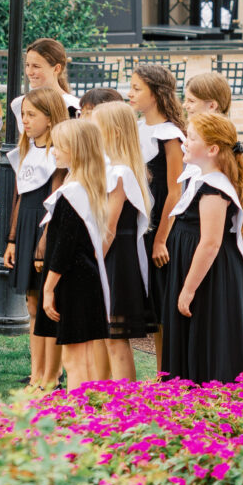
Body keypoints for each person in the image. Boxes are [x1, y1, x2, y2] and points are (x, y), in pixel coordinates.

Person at [161, 113, 243, 384]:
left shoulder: (215, 189)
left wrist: (188, 289)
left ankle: (215, 408)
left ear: (212, 150)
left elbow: (211, 242)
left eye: (191, 138)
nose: (184, 143)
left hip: (210, 277)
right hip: (195, 270)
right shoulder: (201, 179)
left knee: (209, 341)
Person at [34, 120, 111, 391]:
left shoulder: (72, 193)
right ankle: (89, 412)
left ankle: (77, 415)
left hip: (71, 281)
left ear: (76, 150)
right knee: (86, 355)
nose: (53, 150)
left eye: (59, 145)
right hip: (87, 279)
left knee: (74, 358)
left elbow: (63, 248)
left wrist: (48, 289)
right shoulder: (88, 187)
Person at [183, 71, 243, 327]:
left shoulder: (214, 150)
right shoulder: (202, 145)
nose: (185, 105)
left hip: (216, 254)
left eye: (191, 100)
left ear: (212, 105)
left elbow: (212, 237)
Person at [3, 87, 69, 387]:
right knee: (31, 305)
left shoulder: (58, 154)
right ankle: (37, 373)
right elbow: (20, 196)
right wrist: (13, 239)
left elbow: (55, 200)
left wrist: (44, 241)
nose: (25, 121)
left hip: (47, 228)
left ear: (51, 118)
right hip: (27, 225)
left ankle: (52, 375)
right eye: (23, 114)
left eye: (32, 115)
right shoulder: (26, 150)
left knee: (47, 305)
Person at [127, 63, 186, 371]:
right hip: (139, 225)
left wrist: (161, 239)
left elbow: (176, 192)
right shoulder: (137, 129)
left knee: (164, 308)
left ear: (157, 92)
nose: (130, 93)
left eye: (137, 88)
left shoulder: (170, 135)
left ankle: (167, 377)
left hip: (161, 230)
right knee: (152, 308)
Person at [92, 101, 155, 381]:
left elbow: (109, 227)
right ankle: (105, 395)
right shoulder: (109, 169)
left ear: (114, 132)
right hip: (108, 254)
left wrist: (91, 262)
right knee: (105, 336)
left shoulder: (121, 173)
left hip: (116, 258)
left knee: (116, 339)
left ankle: (126, 402)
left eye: (96, 127)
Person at [11, 38, 81, 132]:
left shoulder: (73, 106)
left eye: (36, 66)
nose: (29, 72)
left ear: (56, 69)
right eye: (27, 65)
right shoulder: (21, 103)